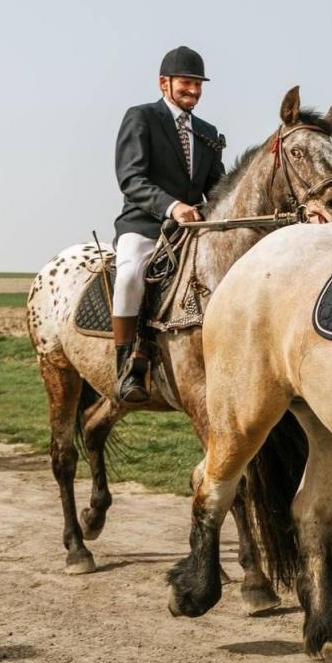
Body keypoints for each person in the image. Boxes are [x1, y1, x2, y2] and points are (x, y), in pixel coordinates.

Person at [112, 45, 225, 403]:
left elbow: (216, 186)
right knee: (130, 275)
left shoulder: (207, 131)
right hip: (146, 225)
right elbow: (131, 178)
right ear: (165, 83)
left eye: (198, 85)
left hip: (191, 231)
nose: (193, 91)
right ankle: (126, 366)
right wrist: (172, 206)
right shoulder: (142, 117)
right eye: (186, 84)